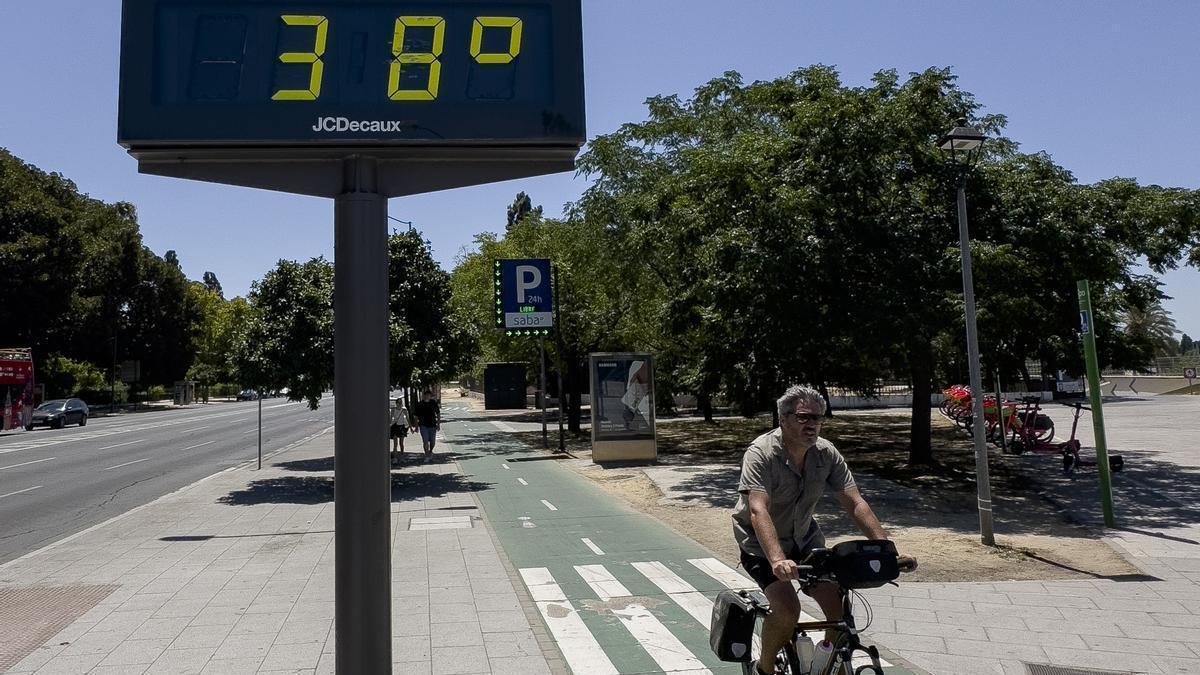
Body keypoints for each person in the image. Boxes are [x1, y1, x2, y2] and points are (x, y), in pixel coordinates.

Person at [732, 384, 916, 675]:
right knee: (787, 609)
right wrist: (778, 560)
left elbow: (855, 503)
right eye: (804, 417)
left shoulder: (826, 453)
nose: (812, 424)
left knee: (838, 611)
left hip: (805, 541)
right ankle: (764, 669)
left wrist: (886, 550)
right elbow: (758, 509)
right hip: (761, 545)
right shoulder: (761, 454)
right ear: (783, 419)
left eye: (818, 418)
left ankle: (828, 669)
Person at [412, 390, 440, 461]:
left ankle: (430, 451)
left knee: (432, 442)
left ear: (430, 396)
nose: (427, 396)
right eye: (426, 395)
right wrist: (416, 426)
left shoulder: (433, 403)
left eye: (429, 395)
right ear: (424, 396)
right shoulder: (420, 404)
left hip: (432, 425)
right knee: (425, 441)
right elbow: (415, 416)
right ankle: (427, 455)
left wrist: (438, 424)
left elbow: (438, 413)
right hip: (423, 425)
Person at [389, 398, 409, 465]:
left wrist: (411, 428)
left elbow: (408, 419)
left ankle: (402, 456)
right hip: (395, 426)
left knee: (401, 443)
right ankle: (395, 458)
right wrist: (389, 425)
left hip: (402, 426)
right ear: (396, 403)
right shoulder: (393, 409)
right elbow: (390, 418)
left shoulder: (404, 410)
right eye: (399, 403)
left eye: (401, 403)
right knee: (395, 444)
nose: (400, 404)